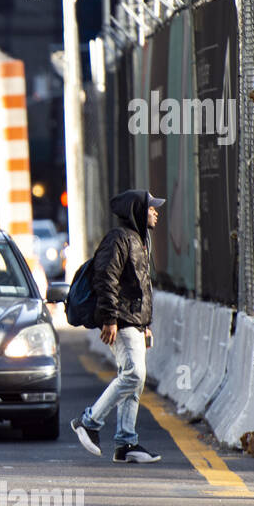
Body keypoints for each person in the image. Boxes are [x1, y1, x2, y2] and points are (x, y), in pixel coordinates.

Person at [71, 190, 165, 465]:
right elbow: (105, 277)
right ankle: (89, 422)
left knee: (134, 380)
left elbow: (138, 287)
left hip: (134, 322)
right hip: (121, 321)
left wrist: (145, 324)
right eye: (151, 208)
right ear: (137, 211)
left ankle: (126, 443)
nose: (156, 212)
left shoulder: (138, 240)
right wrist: (110, 318)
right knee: (134, 374)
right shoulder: (119, 239)